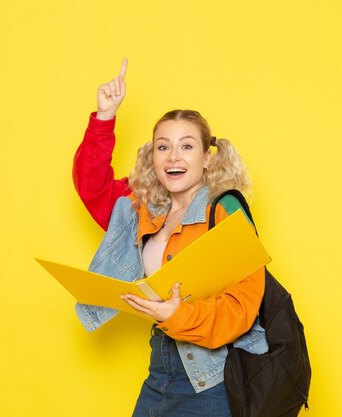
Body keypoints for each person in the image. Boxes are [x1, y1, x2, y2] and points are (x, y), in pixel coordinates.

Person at [73, 58, 268, 417]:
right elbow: (93, 188)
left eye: (186, 146)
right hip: (160, 368)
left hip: (213, 378)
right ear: (153, 156)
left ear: (208, 158)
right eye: (163, 147)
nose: (173, 156)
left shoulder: (225, 210)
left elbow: (243, 306)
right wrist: (104, 117)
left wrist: (179, 314)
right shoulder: (145, 209)